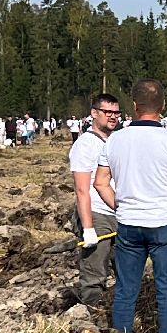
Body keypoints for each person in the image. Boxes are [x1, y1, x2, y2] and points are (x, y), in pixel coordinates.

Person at [94, 80, 167, 333]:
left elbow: (100, 182)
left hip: (129, 223)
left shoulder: (115, 140)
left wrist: (120, 205)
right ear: (162, 106)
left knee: (126, 290)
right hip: (164, 222)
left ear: (134, 105)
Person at [69, 93, 121, 313]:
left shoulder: (116, 141)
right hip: (97, 213)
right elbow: (82, 189)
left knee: (125, 267)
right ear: (94, 113)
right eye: (107, 112)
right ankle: (92, 313)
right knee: (94, 271)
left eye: (116, 113)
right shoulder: (85, 145)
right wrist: (88, 227)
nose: (113, 117)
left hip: (118, 213)